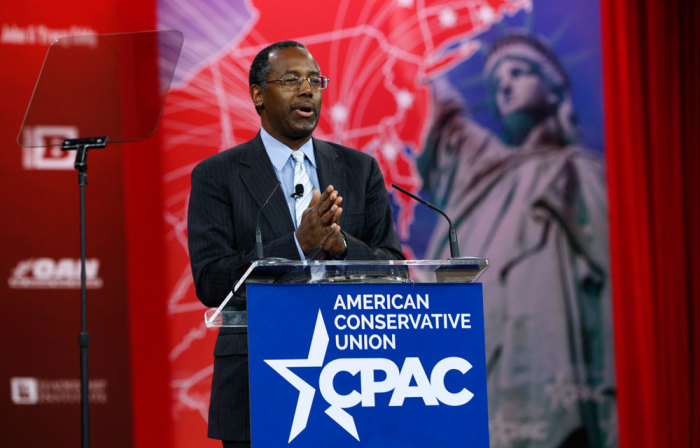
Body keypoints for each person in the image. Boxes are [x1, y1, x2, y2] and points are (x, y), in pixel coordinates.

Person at [187, 40, 404, 447]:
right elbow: (212, 281)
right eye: (291, 80)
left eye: (315, 81)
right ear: (258, 95)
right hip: (258, 382)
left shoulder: (359, 170)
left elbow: (394, 267)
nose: (308, 90)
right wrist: (297, 245)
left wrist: (342, 249)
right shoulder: (217, 176)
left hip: (356, 378)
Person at [419, 33, 616, 447]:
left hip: (552, 355)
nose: (504, 85)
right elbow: (446, 122)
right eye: (495, 83)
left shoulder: (580, 171)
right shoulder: (483, 173)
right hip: (479, 346)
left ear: (553, 89)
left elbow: (615, 274)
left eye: (518, 72)